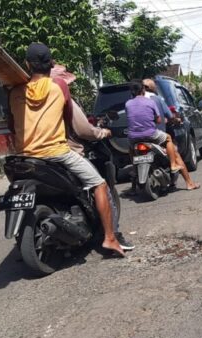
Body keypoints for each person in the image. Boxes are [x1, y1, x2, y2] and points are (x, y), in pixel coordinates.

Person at [8, 42, 125, 257]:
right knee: (99, 184)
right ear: (50, 63)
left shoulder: (14, 91)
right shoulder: (59, 86)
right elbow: (73, 121)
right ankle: (109, 238)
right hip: (56, 153)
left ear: (27, 64)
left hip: (22, 156)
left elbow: (11, 126)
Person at [50, 65, 134, 251]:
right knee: (100, 184)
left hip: (32, 154)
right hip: (64, 151)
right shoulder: (64, 100)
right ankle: (112, 236)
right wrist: (102, 132)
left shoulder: (29, 99)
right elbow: (83, 130)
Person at [142, 78, 200, 191]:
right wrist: (176, 120)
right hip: (156, 136)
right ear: (152, 88)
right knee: (176, 154)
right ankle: (189, 183)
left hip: (136, 136)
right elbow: (169, 116)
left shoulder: (133, 101)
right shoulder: (157, 99)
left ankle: (134, 188)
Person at [124, 81, 181, 173]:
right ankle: (173, 164)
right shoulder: (150, 102)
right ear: (143, 90)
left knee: (131, 148)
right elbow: (159, 120)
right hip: (150, 134)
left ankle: (135, 168)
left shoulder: (128, 104)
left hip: (133, 136)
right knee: (168, 138)